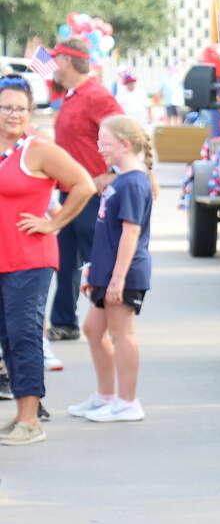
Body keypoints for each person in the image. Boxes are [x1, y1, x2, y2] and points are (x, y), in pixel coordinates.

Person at [0, 78, 97, 445]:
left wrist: (53, 222)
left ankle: (31, 420)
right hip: (1, 256)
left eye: (21, 108)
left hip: (30, 258)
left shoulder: (38, 150)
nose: (14, 114)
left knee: (25, 335)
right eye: (7, 107)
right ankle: (20, 415)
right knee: (7, 336)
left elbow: (84, 184)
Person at [69, 115, 158, 423]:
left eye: (105, 143)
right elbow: (108, 233)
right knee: (94, 330)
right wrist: (94, 270)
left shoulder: (133, 183)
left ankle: (127, 402)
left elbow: (130, 234)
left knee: (122, 333)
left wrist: (117, 279)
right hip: (107, 272)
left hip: (126, 272)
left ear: (125, 144)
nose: (100, 149)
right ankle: (106, 396)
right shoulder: (120, 180)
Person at [47, 37, 122, 341]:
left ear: (67, 62)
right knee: (64, 262)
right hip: (68, 194)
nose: (52, 65)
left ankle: (110, 320)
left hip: (91, 195)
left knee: (98, 260)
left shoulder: (96, 96)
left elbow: (125, 133)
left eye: (56, 60)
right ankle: (65, 321)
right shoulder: (72, 95)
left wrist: (113, 172)